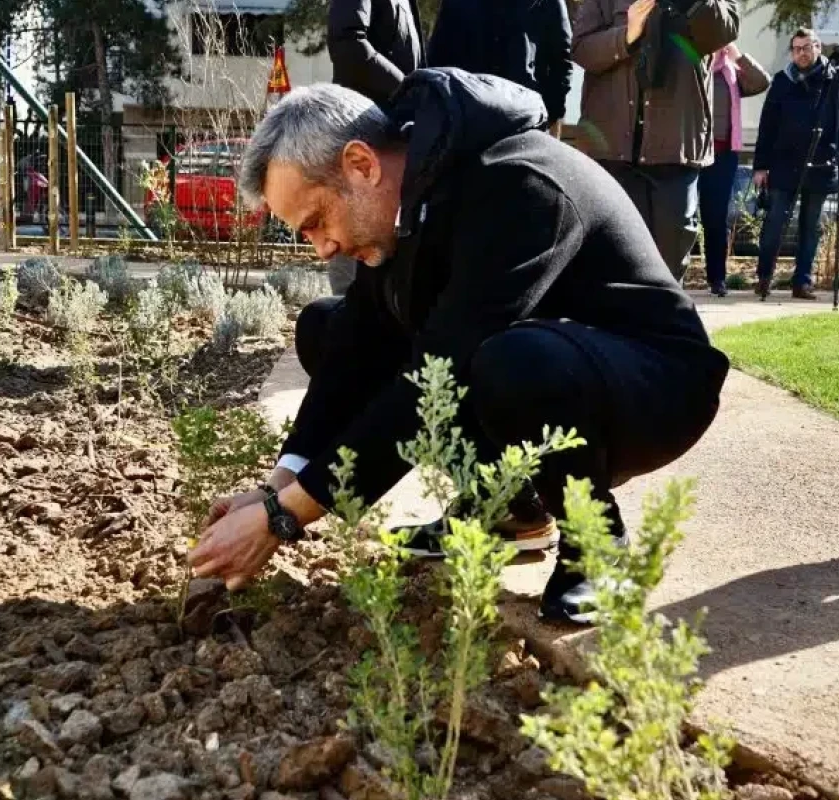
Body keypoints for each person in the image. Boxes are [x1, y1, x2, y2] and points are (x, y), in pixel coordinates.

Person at [186, 71, 730, 625]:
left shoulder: (516, 183)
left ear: (361, 165)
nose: (324, 247)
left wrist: (288, 516)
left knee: (506, 365)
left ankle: (597, 544)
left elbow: (434, 376)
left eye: (317, 221)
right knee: (328, 326)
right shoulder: (407, 202)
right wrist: (275, 487)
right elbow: (355, 351)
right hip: (548, 361)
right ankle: (511, 510)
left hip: (656, 382)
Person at [570, 0, 739, 282]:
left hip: (675, 149)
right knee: (613, 260)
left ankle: (663, 322)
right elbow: (581, 50)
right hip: (613, 151)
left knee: (668, 262)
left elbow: (722, 33)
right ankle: (616, 325)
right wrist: (627, 34)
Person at [325, 0, 426, 295]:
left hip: (391, 143)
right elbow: (347, 44)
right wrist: (409, 89)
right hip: (362, 142)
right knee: (351, 286)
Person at [749, 28, 839, 301]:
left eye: (807, 47)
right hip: (784, 164)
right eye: (797, 49)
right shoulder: (783, 81)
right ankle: (764, 278)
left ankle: (802, 283)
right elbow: (767, 126)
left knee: (811, 227)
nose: (802, 53)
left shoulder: (835, 80)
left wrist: (838, 151)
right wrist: (760, 166)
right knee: (774, 223)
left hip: (821, 164)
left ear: (818, 47)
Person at [424, 0, 574, 133]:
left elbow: (561, 60)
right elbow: (438, 57)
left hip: (521, 119)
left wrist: (548, 113)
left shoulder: (548, 3)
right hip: (467, 117)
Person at [697, 42, 769, 296]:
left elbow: (761, 82)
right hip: (689, 153)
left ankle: (717, 279)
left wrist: (736, 54)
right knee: (681, 218)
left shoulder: (732, 71)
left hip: (723, 155)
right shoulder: (693, 65)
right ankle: (674, 278)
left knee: (715, 219)